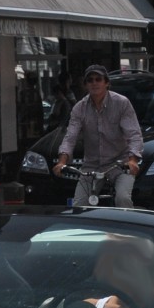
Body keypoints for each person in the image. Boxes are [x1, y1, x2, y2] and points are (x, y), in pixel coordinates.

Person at [52, 64, 143, 208]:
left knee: (123, 199)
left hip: (120, 164)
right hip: (92, 166)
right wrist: (61, 162)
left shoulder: (122, 103)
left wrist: (132, 161)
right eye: (90, 80)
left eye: (98, 79)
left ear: (106, 83)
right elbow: (70, 137)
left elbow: (134, 134)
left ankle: (126, 229)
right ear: (86, 85)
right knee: (78, 205)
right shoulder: (79, 108)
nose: (94, 83)